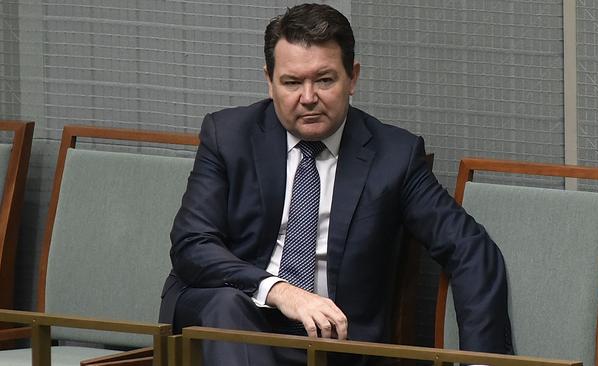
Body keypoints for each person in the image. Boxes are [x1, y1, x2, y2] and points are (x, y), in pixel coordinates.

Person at [159, 3, 512, 365]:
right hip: (231, 320)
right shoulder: (229, 136)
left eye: (324, 80)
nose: (308, 97)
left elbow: (469, 247)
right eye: (292, 82)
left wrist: (480, 362)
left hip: (332, 341)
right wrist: (279, 290)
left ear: (353, 77)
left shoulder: (394, 155)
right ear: (269, 80)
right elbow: (192, 244)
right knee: (226, 303)